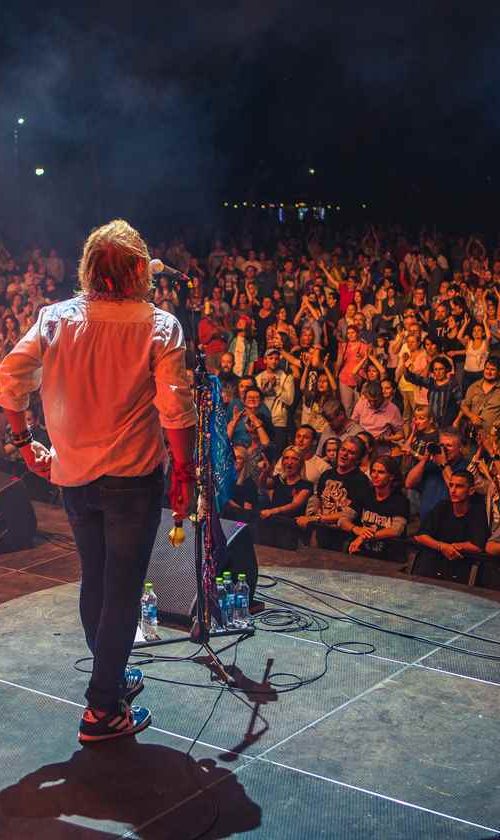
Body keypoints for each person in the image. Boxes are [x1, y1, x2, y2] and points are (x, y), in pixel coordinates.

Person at [0, 219, 196, 743]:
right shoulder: (159, 326)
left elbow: (9, 378)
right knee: (123, 590)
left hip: (74, 478)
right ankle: (102, 709)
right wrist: (185, 474)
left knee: (96, 579)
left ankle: (111, 679)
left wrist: (24, 444)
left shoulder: (55, 318)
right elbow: (176, 411)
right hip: (132, 480)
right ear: (140, 270)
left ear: (88, 267)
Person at [296, 436, 371, 550]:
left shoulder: (361, 481)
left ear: (358, 459)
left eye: (351, 453)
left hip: (343, 538)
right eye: (343, 449)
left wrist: (316, 518)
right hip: (321, 533)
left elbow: (350, 513)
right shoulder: (327, 474)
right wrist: (312, 517)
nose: (344, 454)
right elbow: (318, 499)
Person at [413, 471, 488, 582]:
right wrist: (442, 546)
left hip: (460, 570)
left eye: (459, 486)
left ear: (471, 491)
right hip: (432, 565)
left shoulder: (478, 512)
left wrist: (453, 547)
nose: (453, 490)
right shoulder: (442, 506)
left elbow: (477, 546)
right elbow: (420, 536)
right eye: (451, 485)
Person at [342, 456, 409, 561]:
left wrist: (364, 537)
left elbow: (396, 530)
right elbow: (343, 520)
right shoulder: (365, 494)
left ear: (391, 476)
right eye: (373, 471)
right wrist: (356, 529)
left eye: (381, 472)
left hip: (388, 558)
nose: (375, 475)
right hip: (361, 553)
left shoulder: (400, 501)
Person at [405, 426, 468, 519]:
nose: (444, 450)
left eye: (449, 446)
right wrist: (425, 459)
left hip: (450, 523)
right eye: (441, 445)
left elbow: (456, 490)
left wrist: (444, 465)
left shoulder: (465, 467)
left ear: (460, 448)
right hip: (427, 522)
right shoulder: (432, 464)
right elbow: (409, 483)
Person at [255, 348, 295, 455]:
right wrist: (261, 391)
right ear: (265, 360)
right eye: (271, 358)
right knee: (263, 455)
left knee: (277, 454)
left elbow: (289, 400)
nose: (274, 361)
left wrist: (276, 387)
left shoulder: (286, 377)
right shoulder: (258, 378)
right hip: (262, 421)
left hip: (279, 422)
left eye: (276, 359)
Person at [273, 424, 329, 489]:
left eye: (306, 437)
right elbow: (274, 482)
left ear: (314, 442)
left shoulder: (323, 466)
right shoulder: (285, 459)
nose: (301, 440)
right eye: (298, 436)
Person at [460, 355, 500, 437]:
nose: (489, 372)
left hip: (492, 436)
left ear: (499, 372)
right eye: (487, 369)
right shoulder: (474, 386)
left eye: (493, 370)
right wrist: (472, 416)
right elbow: (464, 405)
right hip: (472, 433)